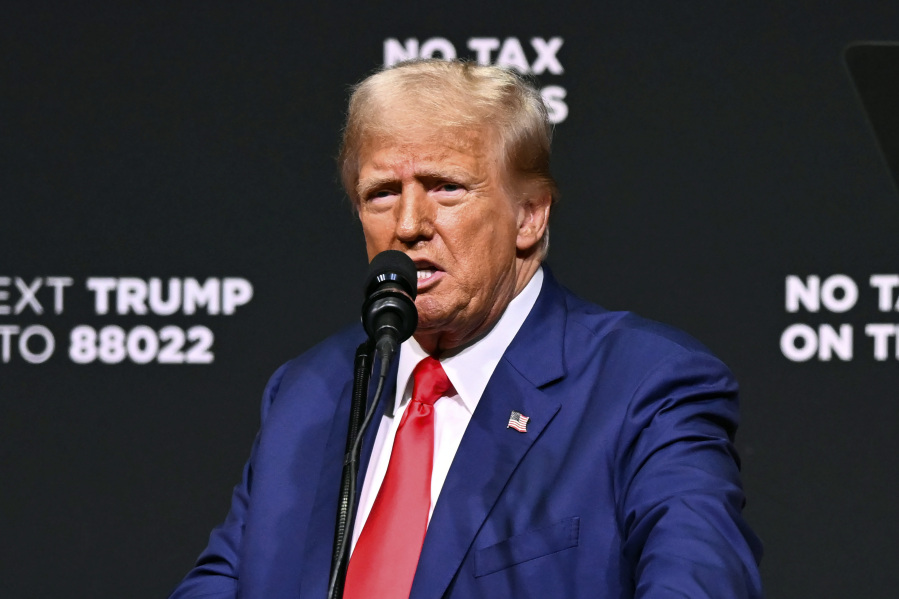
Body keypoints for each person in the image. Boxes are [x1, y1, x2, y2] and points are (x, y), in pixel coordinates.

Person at [170, 59, 763, 599]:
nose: (408, 224)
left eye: (445, 187)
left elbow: (702, 585)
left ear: (529, 215)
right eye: (381, 193)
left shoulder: (642, 385)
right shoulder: (309, 392)